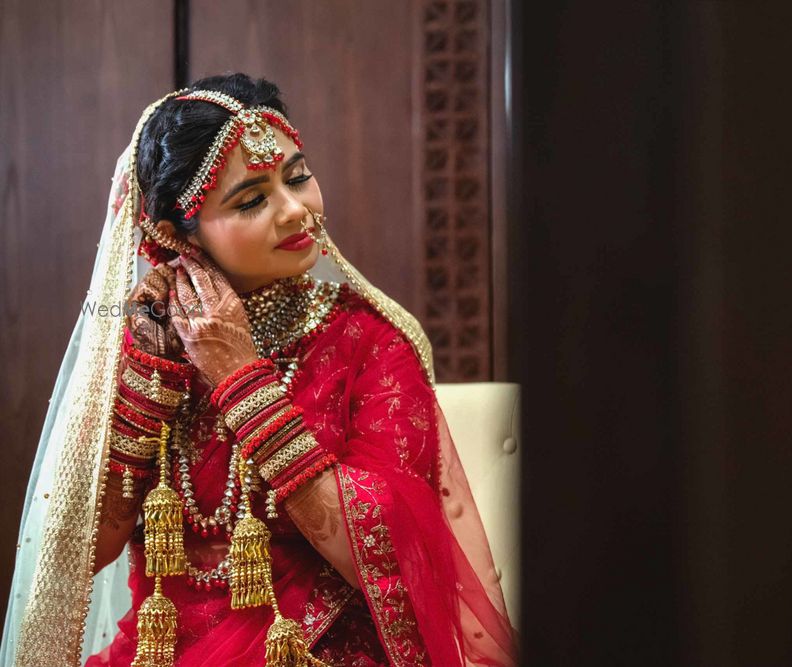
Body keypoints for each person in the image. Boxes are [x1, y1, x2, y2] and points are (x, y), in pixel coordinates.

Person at [1, 73, 517, 667]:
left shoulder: (368, 342)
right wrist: (152, 384)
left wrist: (242, 380)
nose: (297, 211)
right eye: (251, 200)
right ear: (173, 234)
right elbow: (78, 556)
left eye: (298, 177)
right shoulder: (148, 348)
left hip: (320, 651)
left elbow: (386, 558)